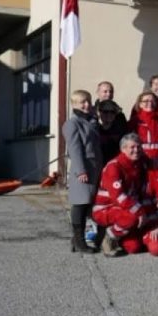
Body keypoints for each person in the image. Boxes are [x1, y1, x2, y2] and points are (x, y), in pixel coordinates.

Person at [93, 133, 148, 257]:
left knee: (134, 247)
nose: (136, 150)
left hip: (126, 208)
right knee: (132, 217)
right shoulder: (114, 166)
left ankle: (120, 236)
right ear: (123, 149)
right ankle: (109, 238)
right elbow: (119, 197)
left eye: (139, 147)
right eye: (132, 147)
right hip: (106, 208)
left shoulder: (139, 165)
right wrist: (140, 211)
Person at [64, 90, 103, 253]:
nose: (87, 105)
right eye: (82, 102)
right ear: (74, 104)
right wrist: (80, 171)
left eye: (88, 101)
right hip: (83, 171)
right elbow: (75, 149)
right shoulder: (72, 123)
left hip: (94, 169)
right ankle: (80, 242)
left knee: (88, 205)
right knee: (80, 205)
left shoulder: (90, 121)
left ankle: (76, 240)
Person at [127, 91, 158, 170]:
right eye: (146, 101)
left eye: (153, 101)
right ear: (140, 104)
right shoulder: (134, 122)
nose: (150, 103)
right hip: (140, 162)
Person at [96, 99, 128, 165]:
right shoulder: (93, 128)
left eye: (112, 112)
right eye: (105, 112)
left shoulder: (121, 130)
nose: (109, 114)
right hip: (97, 166)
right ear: (99, 113)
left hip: (115, 165)